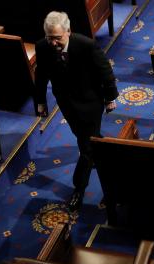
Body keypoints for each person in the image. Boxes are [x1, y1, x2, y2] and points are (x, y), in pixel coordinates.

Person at [35, 11, 119, 211]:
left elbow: (104, 70)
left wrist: (110, 97)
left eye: (57, 38)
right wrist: (40, 102)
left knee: (86, 146)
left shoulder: (85, 45)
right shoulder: (42, 47)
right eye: (49, 38)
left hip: (91, 102)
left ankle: (78, 189)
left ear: (68, 32)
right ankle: (110, 157)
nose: (53, 43)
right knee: (87, 138)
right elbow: (41, 75)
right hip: (67, 104)